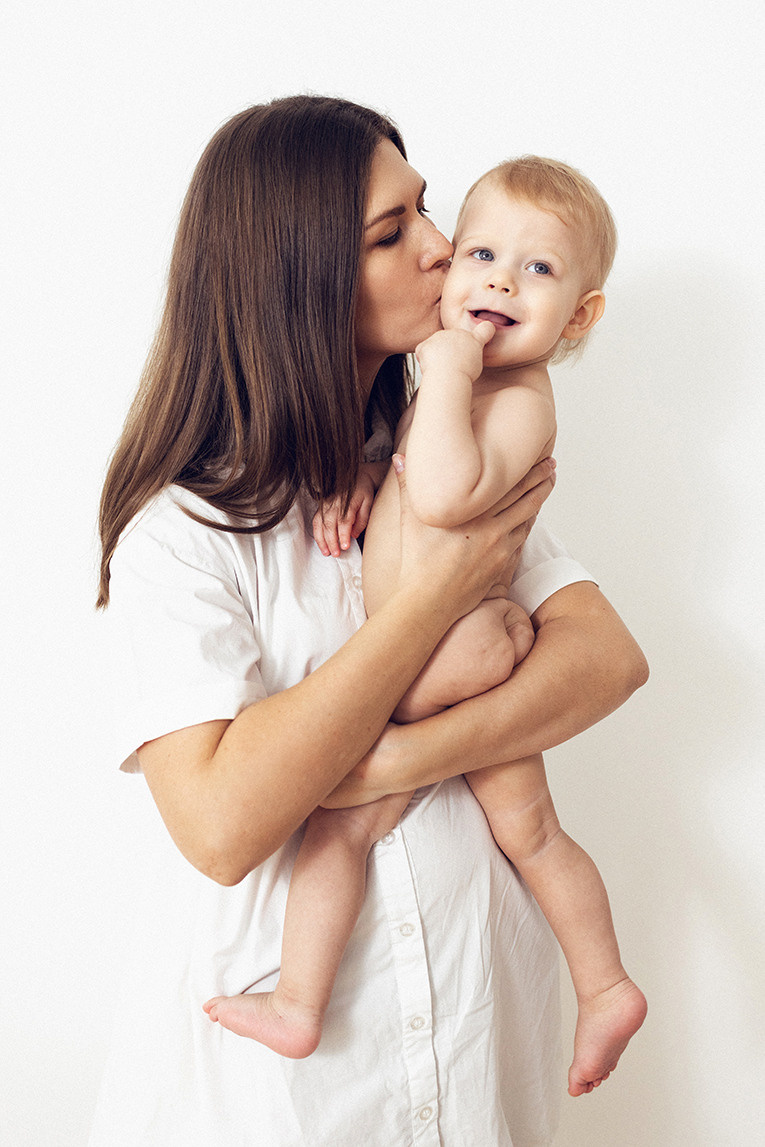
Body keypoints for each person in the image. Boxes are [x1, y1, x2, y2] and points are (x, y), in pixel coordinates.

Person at [92, 96, 648, 1147]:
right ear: (300, 278)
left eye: (427, 209)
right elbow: (221, 825)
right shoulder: (184, 530)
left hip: (472, 1063)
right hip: (293, 1105)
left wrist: (384, 764)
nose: (446, 252)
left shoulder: (443, 453)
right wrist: (443, 593)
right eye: (394, 234)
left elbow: (607, 660)